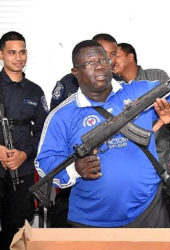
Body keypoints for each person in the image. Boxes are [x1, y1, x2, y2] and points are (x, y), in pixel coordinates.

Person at [35, 40, 170, 227]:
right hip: (91, 219)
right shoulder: (62, 115)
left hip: (149, 210)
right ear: (75, 72)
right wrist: (75, 169)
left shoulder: (139, 91)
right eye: (90, 63)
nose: (99, 67)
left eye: (103, 60)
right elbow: (44, 162)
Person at [48, 33, 121, 228]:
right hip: (74, 179)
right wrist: (73, 168)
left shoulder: (122, 86)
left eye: (111, 55)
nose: (104, 62)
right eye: (101, 55)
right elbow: (56, 130)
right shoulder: (67, 84)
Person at [0, 31, 48, 249]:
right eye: (12, 52)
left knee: (18, 232)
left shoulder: (35, 91)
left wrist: (24, 154)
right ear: (1, 55)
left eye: (22, 52)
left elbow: (43, 132)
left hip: (24, 171)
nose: (18, 57)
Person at [114, 42, 170, 173]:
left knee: (162, 192)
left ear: (130, 57)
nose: (112, 60)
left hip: (160, 152)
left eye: (116, 56)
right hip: (127, 156)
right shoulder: (113, 86)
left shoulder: (156, 77)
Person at [50, 33, 122, 110]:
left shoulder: (120, 84)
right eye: (102, 52)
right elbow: (55, 115)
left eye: (113, 54)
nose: (108, 58)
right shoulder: (67, 83)